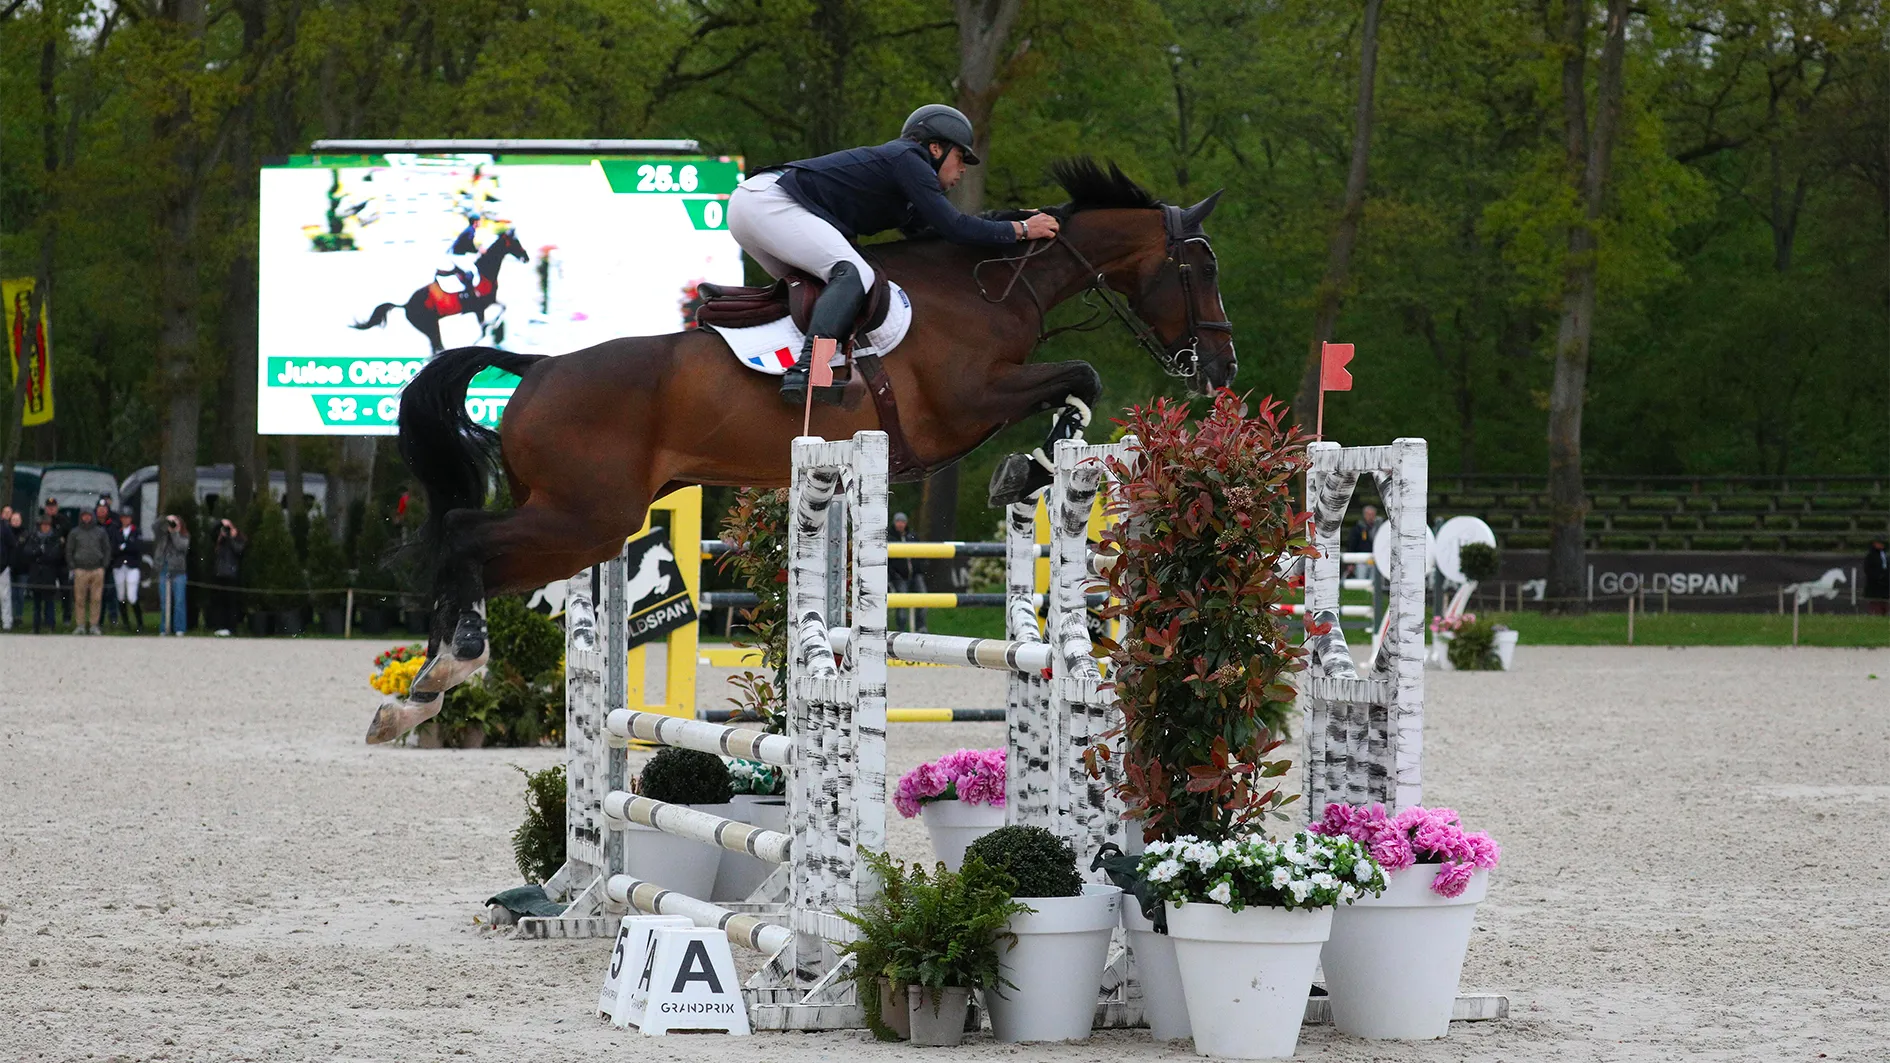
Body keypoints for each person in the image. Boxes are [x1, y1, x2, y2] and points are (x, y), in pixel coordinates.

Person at [726, 103, 1061, 405]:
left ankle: (773, 367)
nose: (963, 170)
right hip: (770, 202)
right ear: (935, 148)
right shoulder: (909, 160)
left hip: (754, 207)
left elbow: (939, 234)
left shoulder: (906, 181)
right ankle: (809, 369)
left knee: (821, 294)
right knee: (855, 273)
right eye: (961, 158)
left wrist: (1012, 217)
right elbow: (955, 226)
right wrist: (1021, 229)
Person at [65, 508, 111, 635]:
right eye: (84, 515)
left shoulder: (101, 532)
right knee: (79, 599)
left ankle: (94, 625)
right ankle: (80, 625)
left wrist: (104, 566)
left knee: (96, 599)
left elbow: (107, 549)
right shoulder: (74, 532)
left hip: (97, 569)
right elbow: (69, 550)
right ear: (81, 517)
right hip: (80, 570)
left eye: (88, 515)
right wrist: (73, 566)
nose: (86, 518)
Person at [887, 511, 929, 634]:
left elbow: (920, 554)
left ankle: (921, 626)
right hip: (899, 576)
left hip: (915, 575)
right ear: (894, 523)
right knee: (901, 603)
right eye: (898, 522)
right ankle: (901, 629)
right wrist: (894, 574)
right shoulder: (890, 538)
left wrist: (920, 569)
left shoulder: (912, 536)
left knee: (923, 598)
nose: (900, 524)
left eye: (903, 522)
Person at [22, 514, 62, 633]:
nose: (45, 527)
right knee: (36, 603)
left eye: (47, 525)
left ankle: (50, 626)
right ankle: (36, 626)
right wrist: (38, 552)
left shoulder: (54, 538)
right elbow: (27, 552)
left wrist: (41, 555)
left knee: (49, 602)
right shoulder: (34, 537)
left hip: (49, 574)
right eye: (43, 525)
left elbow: (55, 555)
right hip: (36, 574)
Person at [153, 513, 191, 636]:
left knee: (179, 601)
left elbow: (181, 546)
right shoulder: (162, 535)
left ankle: (179, 628)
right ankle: (164, 628)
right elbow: (154, 526)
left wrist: (175, 532)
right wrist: (165, 519)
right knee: (164, 602)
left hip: (179, 572)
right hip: (164, 569)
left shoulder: (185, 535)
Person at [210, 518, 246, 635]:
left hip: (231, 574)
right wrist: (220, 523)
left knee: (232, 603)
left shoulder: (238, 539)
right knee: (220, 602)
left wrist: (231, 537)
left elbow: (239, 551)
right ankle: (220, 626)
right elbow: (211, 533)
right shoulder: (220, 539)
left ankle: (232, 628)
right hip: (220, 574)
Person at [111, 510, 145, 632]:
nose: (125, 520)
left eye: (128, 517)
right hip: (119, 566)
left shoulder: (136, 531)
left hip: (132, 566)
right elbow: (114, 549)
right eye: (124, 517)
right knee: (121, 596)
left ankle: (140, 623)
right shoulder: (117, 531)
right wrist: (126, 546)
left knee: (132, 596)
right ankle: (126, 623)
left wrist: (124, 547)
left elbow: (137, 547)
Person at [40, 497, 70, 624]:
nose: (51, 509)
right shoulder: (42, 520)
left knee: (65, 591)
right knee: (48, 591)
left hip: (62, 562)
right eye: (49, 506)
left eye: (53, 506)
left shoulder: (64, 520)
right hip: (49, 563)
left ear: (57, 507)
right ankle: (48, 618)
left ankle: (67, 617)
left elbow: (68, 539)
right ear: (45, 508)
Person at [93, 497, 120, 625]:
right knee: (99, 593)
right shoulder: (92, 526)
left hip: (110, 564)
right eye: (99, 509)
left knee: (111, 592)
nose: (102, 511)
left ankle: (113, 617)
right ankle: (99, 619)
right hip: (96, 564)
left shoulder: (113, 526)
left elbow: (114, 545)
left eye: (104, 509)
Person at [1346, 504, 1381, 582]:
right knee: (1361, 580)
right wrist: (1351, 563)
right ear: (1364, 515)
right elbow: (1352, 545)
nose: (1371, 517)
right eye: (1369, 514)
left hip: (1375, 559)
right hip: (1361, 560)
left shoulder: (1379, 528)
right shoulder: (1358, 528)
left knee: (1374, 583)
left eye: (1372, 514)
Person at [5, 508, 23, 625]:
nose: (15, 522)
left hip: (22, 569)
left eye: (18, 520)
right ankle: (9, 617)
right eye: (13, 520)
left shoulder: (25, 533)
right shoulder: (6, 533)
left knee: (20, 595)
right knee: (9, 595)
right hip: (9, 567)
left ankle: (19, 617)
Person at [1865, 537, 1889, 617]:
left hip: (1886, 586)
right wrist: (1878, 577)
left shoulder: (1885, 555)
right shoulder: (1870, 556)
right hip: (1875, 585)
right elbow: (1868, 570)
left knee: (1884, 603)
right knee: (1876, 604)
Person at [0, 505, 15, 631]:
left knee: (5, 597)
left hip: (2, 568)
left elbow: (12, 545)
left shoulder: (4, 528)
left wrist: (6, 563)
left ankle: (7, 622)